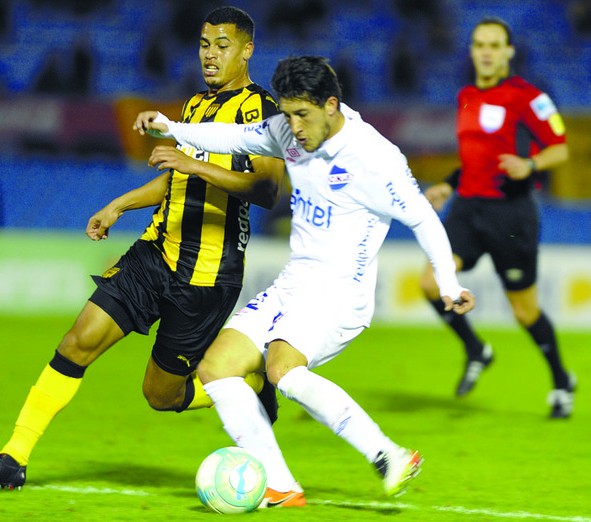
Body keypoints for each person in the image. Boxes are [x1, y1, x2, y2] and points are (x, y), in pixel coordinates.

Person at [0, 6, 285, 489]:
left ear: (247, 50)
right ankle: (15, 454)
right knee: (79, 339)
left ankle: (255, 384)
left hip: (206, 275)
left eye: (223, 45)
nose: (210, 55)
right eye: (203, 44)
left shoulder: (264, 111)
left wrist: (197, 168)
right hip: (155, 253)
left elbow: (267, 190)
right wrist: (120, 204)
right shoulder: (195, 105)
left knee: (161, 394)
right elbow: (176, 179)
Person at [135, 55, 475, 506]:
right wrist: (172, 127)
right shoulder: (288, 131)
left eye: (302, 115)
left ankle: (388, 454)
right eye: (288, 113)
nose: (293, 127)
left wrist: (448, 284)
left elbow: (425, 220)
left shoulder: (374, 158)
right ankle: (281, 485)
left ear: (331, 105)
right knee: (216, 368)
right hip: (294, 284)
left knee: (282, 369)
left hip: (339, 294)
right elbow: (236, 135)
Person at [419, 17, 575, 418]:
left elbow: (560, 148)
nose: (486, 52)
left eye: (494, 45)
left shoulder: (529, 97)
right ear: (472, 51)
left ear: (508, 52)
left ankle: (561, 382)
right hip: (468, 208)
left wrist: (530, 163)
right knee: (431, 283)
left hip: (511, 215)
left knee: (524, 312)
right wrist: (448, 186)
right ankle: (477, 349)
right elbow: (475, 159)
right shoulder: (467, 95)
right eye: (479, 45)